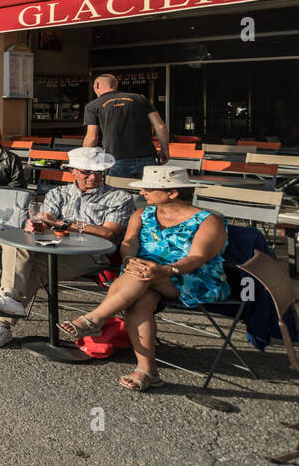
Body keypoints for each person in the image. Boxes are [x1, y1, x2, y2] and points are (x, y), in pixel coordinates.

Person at [57, 165, 226, 391]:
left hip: (190, 278)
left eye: (148, 188)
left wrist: (165, 270)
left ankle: (95, 319)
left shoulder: (207, 221)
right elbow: (130, 244)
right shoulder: (142, 214)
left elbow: (198, 257)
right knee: (141, 300)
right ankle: (148, 371)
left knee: (141, 276)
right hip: (145, 276)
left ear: (172, 193)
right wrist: (128, 260)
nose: (142, 193)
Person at [0, 147, 135, 347]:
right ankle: (8, 299)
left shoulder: (119, 198)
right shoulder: (58, 193)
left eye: (99, 172)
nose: (93, 176)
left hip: (92, 255)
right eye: (87, 172)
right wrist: (35, 225)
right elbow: (44, 224)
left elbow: (109, 233)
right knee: (16, 245)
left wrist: (64, 224)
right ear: (73, 171)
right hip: (54, 248)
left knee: (26, 268)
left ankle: (2, 321)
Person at [82, 73, 170, 178]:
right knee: (147, 192)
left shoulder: (93, 106)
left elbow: (92, 138)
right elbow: (160, 126)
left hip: (115, 159)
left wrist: (85, 160)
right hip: (147, 157)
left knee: (117, 193)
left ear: (97, 85)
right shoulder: (140, 99)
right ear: (116, 85)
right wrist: (165, 150)